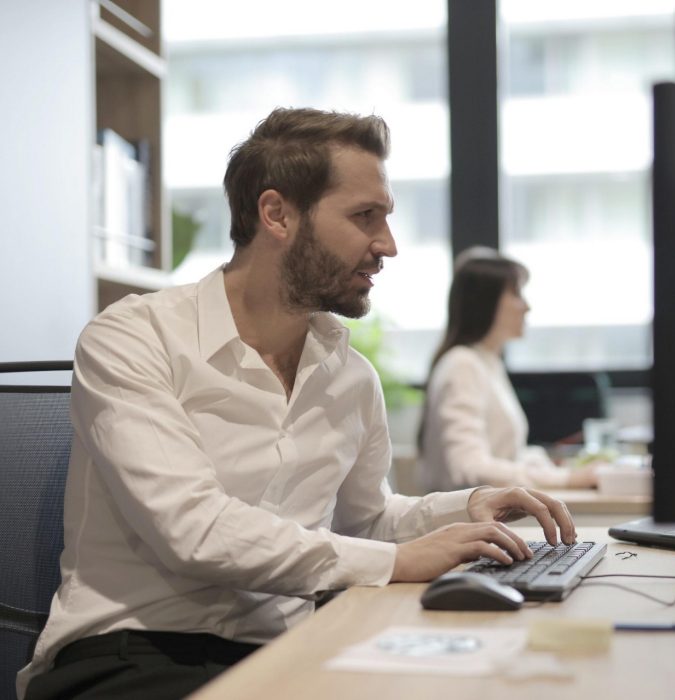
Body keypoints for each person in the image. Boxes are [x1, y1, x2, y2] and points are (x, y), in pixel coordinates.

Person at [20, 109, 579, 700]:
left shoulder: (350, 378)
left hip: (285, 650)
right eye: (365, 217)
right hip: (133, 653)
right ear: (277, 214)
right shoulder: (133, 338)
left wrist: (465, 508)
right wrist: (396, 563)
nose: (387, 245)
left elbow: (366, 521)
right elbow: (194, 531)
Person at [417, 247, 599, 492]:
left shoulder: (486, 361)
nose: (526, 306)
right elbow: (468, 467)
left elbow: (508, 455)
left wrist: (559, 470)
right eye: (516, 294)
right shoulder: (463, 364)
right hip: (471, 522)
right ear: (485, 302)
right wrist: (565, 479)